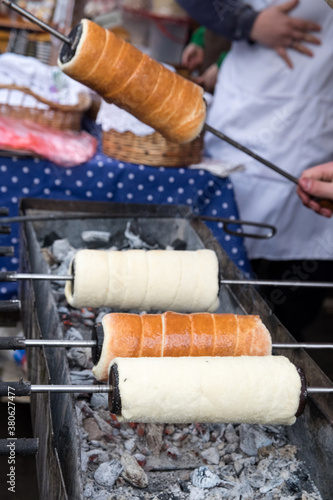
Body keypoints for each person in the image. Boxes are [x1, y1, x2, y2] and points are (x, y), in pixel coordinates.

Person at [178, 0, 333, 341]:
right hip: (240, 122)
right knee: (208, 297)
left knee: (288, 318)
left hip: (317, 131)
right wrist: (246, 23)